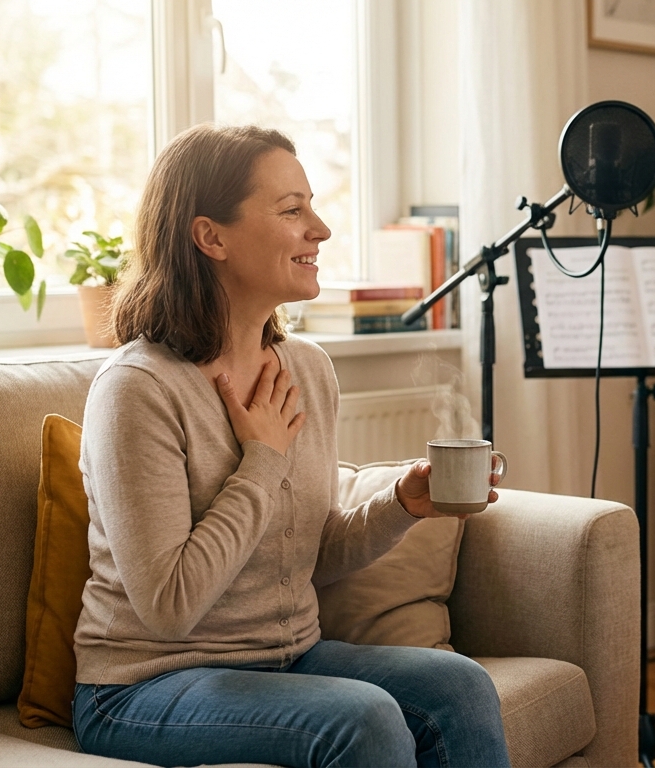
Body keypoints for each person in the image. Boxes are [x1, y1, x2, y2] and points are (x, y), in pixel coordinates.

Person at [71, 124, 511, 768]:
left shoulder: (306, 369)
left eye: (312, 207)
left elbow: (308, 556)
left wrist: (401, 505)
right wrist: (262, 462)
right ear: (211, 237)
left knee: (459, 687)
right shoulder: (138, 389)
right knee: (362, 721)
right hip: (144, 684)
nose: (321, 230)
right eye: (291, 210)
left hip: (287, 657)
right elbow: (168, 607)